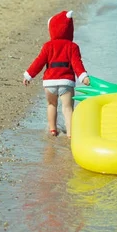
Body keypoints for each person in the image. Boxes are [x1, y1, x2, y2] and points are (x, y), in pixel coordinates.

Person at [23, 10, 90, 138]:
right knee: (67, 108)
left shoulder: (48, 46)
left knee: (51, 104)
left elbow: (39, 62)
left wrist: (28, 75)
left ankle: (53, 130)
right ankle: (70, 134)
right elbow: (77, 64)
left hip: (50, 82)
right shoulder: (72, 46)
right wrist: (83, 77)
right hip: (66, 82)